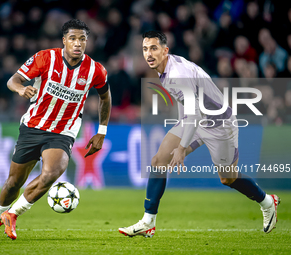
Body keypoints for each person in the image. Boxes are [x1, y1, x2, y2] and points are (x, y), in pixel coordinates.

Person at [118, 31, 280, 238]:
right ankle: (148, 222)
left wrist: (183, 148)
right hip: (195, 118)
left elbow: (194, 113)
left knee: (228, 178)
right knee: (159, 161)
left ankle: (267, 202)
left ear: (165, 50)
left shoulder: (177, 74)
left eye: (154, 48)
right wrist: (180, 136)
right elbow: (188, 105)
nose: (148, 54)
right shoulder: (164, 68)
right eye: (145, 49)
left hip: (219, 124)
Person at [0, 19, 112, 240]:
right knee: (13, 183)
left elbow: (105, 97)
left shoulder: (96, 70)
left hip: (63, 132)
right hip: (33, 126)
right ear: (64, 41)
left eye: (82, 39)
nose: (77, 43)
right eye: (73, 38)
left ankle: (14, 213)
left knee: (51, 172)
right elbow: (14, 80)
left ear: (87, 42)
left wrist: (102, 131)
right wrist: (21, 89)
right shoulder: (45, 58)